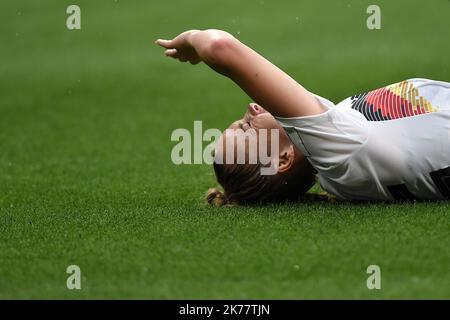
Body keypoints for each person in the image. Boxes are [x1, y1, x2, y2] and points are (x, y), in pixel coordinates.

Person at [155, 29, 450, 205]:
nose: (250, 109)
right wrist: (192, 40)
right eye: (247, 128)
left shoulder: (341, 169)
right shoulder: (337, 149)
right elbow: (220, 47)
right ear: (282, 160)